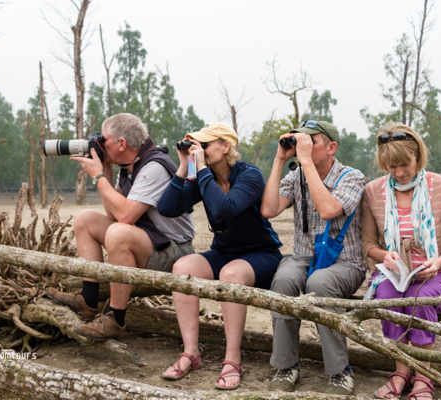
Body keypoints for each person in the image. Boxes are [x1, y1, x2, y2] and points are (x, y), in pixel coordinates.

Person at [46, 113, 195, 341]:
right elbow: (111, 213)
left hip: (175, 251)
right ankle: (88, 298)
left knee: (118, 232)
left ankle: (116, 319)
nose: (100, 144)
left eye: (104, 140)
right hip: (151, 242)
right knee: (85, 219)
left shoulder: (153, 166)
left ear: (122, 143)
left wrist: (97, 177)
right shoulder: (128, 166)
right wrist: (104, 169)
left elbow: (124, 216)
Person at [157, 122, 283, 390]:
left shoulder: (250, 175)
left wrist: (200, 170)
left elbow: (225, 208)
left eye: (204, 145)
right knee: (182, 267)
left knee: (231, 274)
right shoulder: (204, 176)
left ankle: (232, 359)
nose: (198, 150)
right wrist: (183, 168)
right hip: (224, 253)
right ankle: (191, 352)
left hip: (262, 255)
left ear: (226, 147)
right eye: (196, 146)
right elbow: (167, 208)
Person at [362, 122, 441, 400]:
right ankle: (401, 371)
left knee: (418, 299)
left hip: (440, 273)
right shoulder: (373, 192)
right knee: (389, 299)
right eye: (390, 166)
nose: (398, 173)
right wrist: (386, 256)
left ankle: (423, 377)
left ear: (418, 156)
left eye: (404, 164)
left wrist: (439, 260)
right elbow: (368, 245)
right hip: (394, 273)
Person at [260, 121, 365, 395]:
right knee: (283, 280)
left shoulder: (352, 177)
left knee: (319, 283)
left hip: (345, 263)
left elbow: (329, 209)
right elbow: (269, 209)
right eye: (300, 140)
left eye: (311, 140)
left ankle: (340, 372)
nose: (303, 145)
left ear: (332, 147)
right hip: (303, 258)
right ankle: (286, 366)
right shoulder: (297, 176)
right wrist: (279, 160)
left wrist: (304, 161)